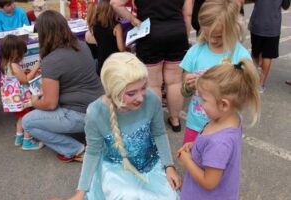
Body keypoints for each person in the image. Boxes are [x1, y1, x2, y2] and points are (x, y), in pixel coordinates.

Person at [69, 52, 181, 200]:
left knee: (170, 196)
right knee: (125, 196)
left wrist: (169, 166)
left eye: (143, 87)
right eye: (132, 93)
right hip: (117, 169)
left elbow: (159, 133)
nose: (141, 97)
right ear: (113, 91)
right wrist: (81, 191)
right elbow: (93, 151)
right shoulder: (96, 112)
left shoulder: (151, 99)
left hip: (151, 164)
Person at [22, 10, 104, 162]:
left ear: (43, 34)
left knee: (28, 122)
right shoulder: (81, 45)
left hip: (81, 113)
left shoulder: (51, 60)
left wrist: (34, 101)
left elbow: (50, 104)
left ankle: (75, 150)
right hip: (101, 105)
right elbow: (74, 76)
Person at [178, 59, 261, 200]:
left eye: (204, 100)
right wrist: (195, 146)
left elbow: (209, 182)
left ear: (224, 104)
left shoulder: (219, 142)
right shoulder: (231, 118)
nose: (200, 103)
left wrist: (187, 161)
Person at [111, 0, 192, 133]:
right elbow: (187, 14)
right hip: (177, 32)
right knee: (175, 81)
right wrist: (185, 36)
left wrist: (133, 19)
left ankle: (155, 123)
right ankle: (175, 119)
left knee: (153, 84)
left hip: (149, 34)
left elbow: (115, 4)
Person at [180, 0, 251, 144]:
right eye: (207, 34)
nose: (212, 40)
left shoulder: (240, 56)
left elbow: (247, 94)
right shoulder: (195, 52)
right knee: (192, 162)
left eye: (218, 36)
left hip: (226, 127)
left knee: (218, 165)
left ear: (232, 28)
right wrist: (188, 86)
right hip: (196, 125)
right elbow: (183, 91)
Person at [0, 35, 43, 150]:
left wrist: (26, 71)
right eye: (21, 53)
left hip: (15, 99)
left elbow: (17, 77)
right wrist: (35, 67)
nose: (22, 56)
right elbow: (25, 80)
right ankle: (27, 142)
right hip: (22, 98)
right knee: (28, 118)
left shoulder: (6, 64)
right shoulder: (14, 65)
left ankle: (19, 138)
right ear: (15, 52)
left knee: (21, 117)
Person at [248, 0, 290, 93]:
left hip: (257, 24)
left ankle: (253, 81)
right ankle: (260, 85)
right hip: (273, 26)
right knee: (267, 55)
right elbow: (286, 6)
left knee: (255, 53)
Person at [87, 0, 125, 76]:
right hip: (115, 61)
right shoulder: (116, 26)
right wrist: (128, 49)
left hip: (102, 61)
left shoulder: (94, 25)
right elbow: (121, 48)